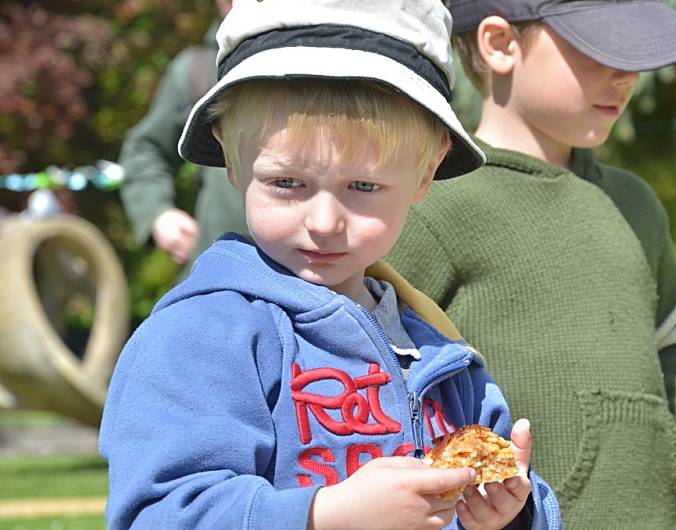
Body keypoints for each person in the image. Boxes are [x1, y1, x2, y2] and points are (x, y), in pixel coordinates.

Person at [98, 1, 562, 529]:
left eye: (363, 187)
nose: (323, 221)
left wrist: (512, 513)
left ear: (426, 170)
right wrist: (325, 515)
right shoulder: (202, 336)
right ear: (230, 157)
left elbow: (511, 489)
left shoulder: (437, 345)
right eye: (286, 183)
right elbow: (159, 514)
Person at [387, 0, 676, 528]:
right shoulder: (438, 200)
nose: (627, 77)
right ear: (500, 45)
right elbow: (371, 356)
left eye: (635, 56)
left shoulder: (635, 203)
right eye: (601, 51)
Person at [118, 0, 247, 268]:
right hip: (219, 277)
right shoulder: (196, 70)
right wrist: (157, 213)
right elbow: (146, 148)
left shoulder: (333, 56)